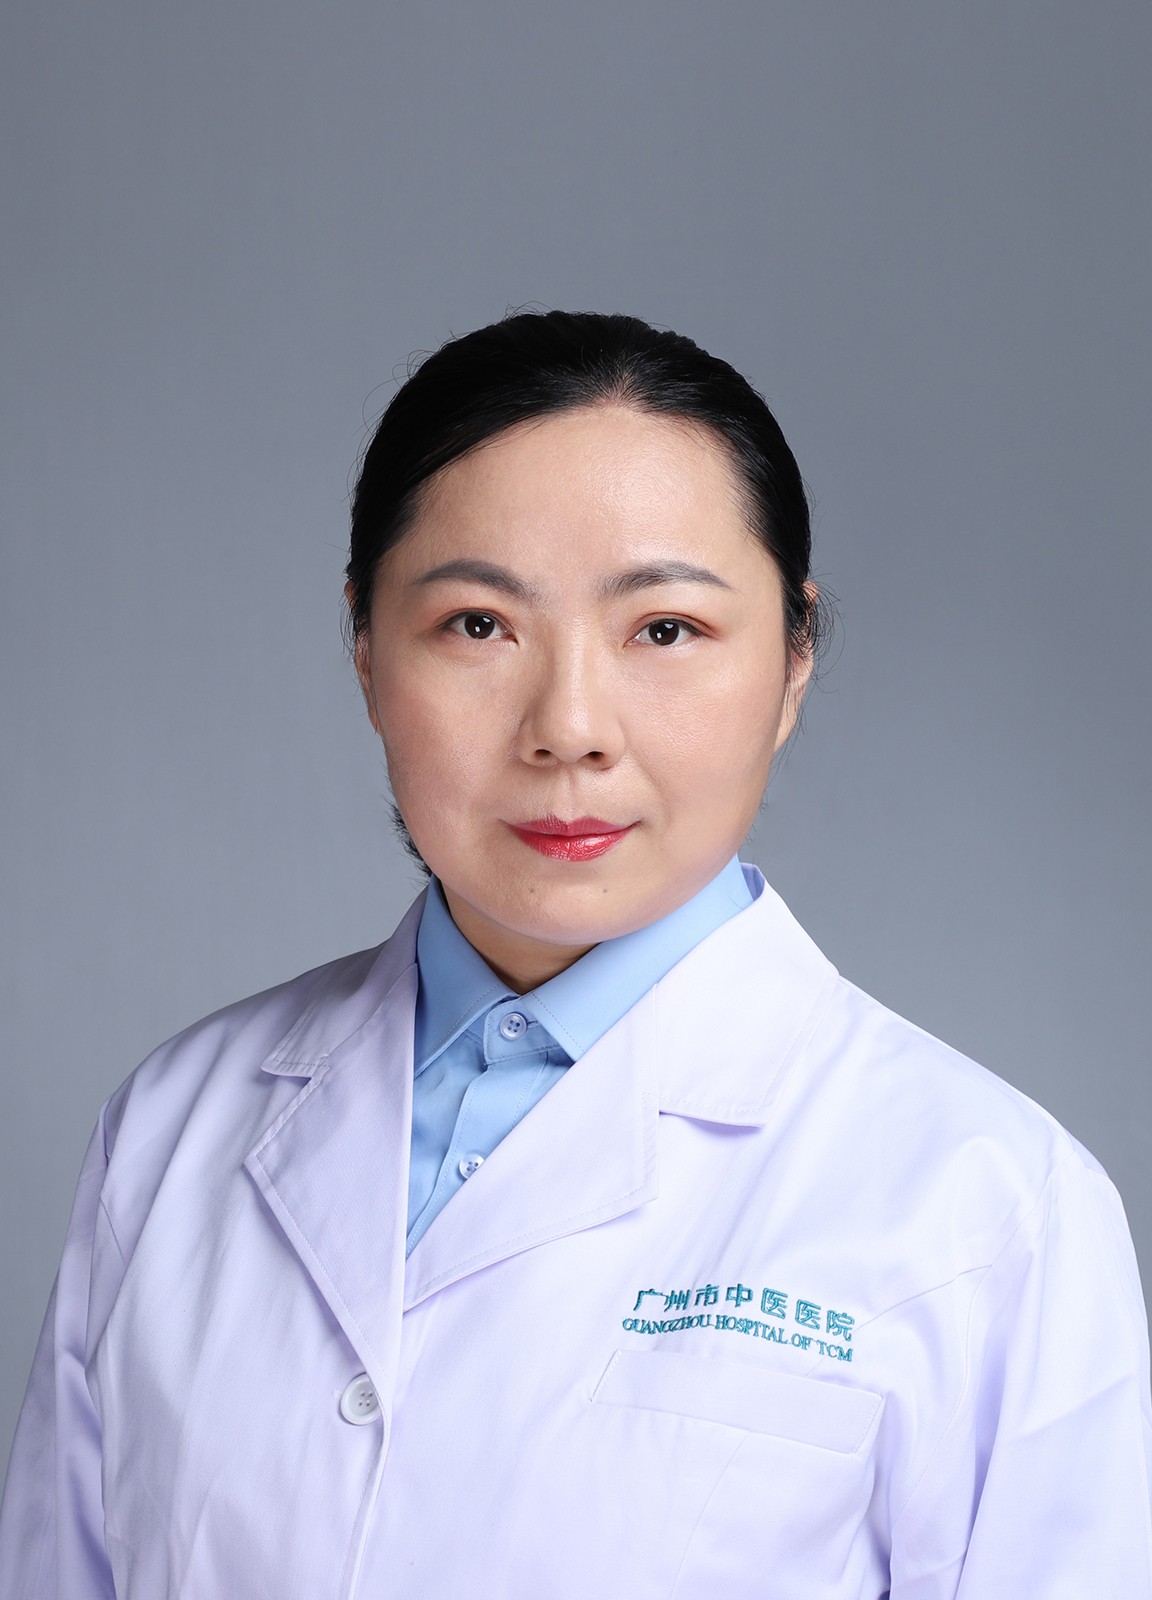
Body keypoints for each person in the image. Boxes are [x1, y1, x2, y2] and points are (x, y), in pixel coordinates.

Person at [1, 309, 1149, 1598]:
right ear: (366, 650)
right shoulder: (172, 1131)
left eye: (664, 630)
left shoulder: (990, 1206)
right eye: (478, 625)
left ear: (794, 660)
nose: (570, 728)